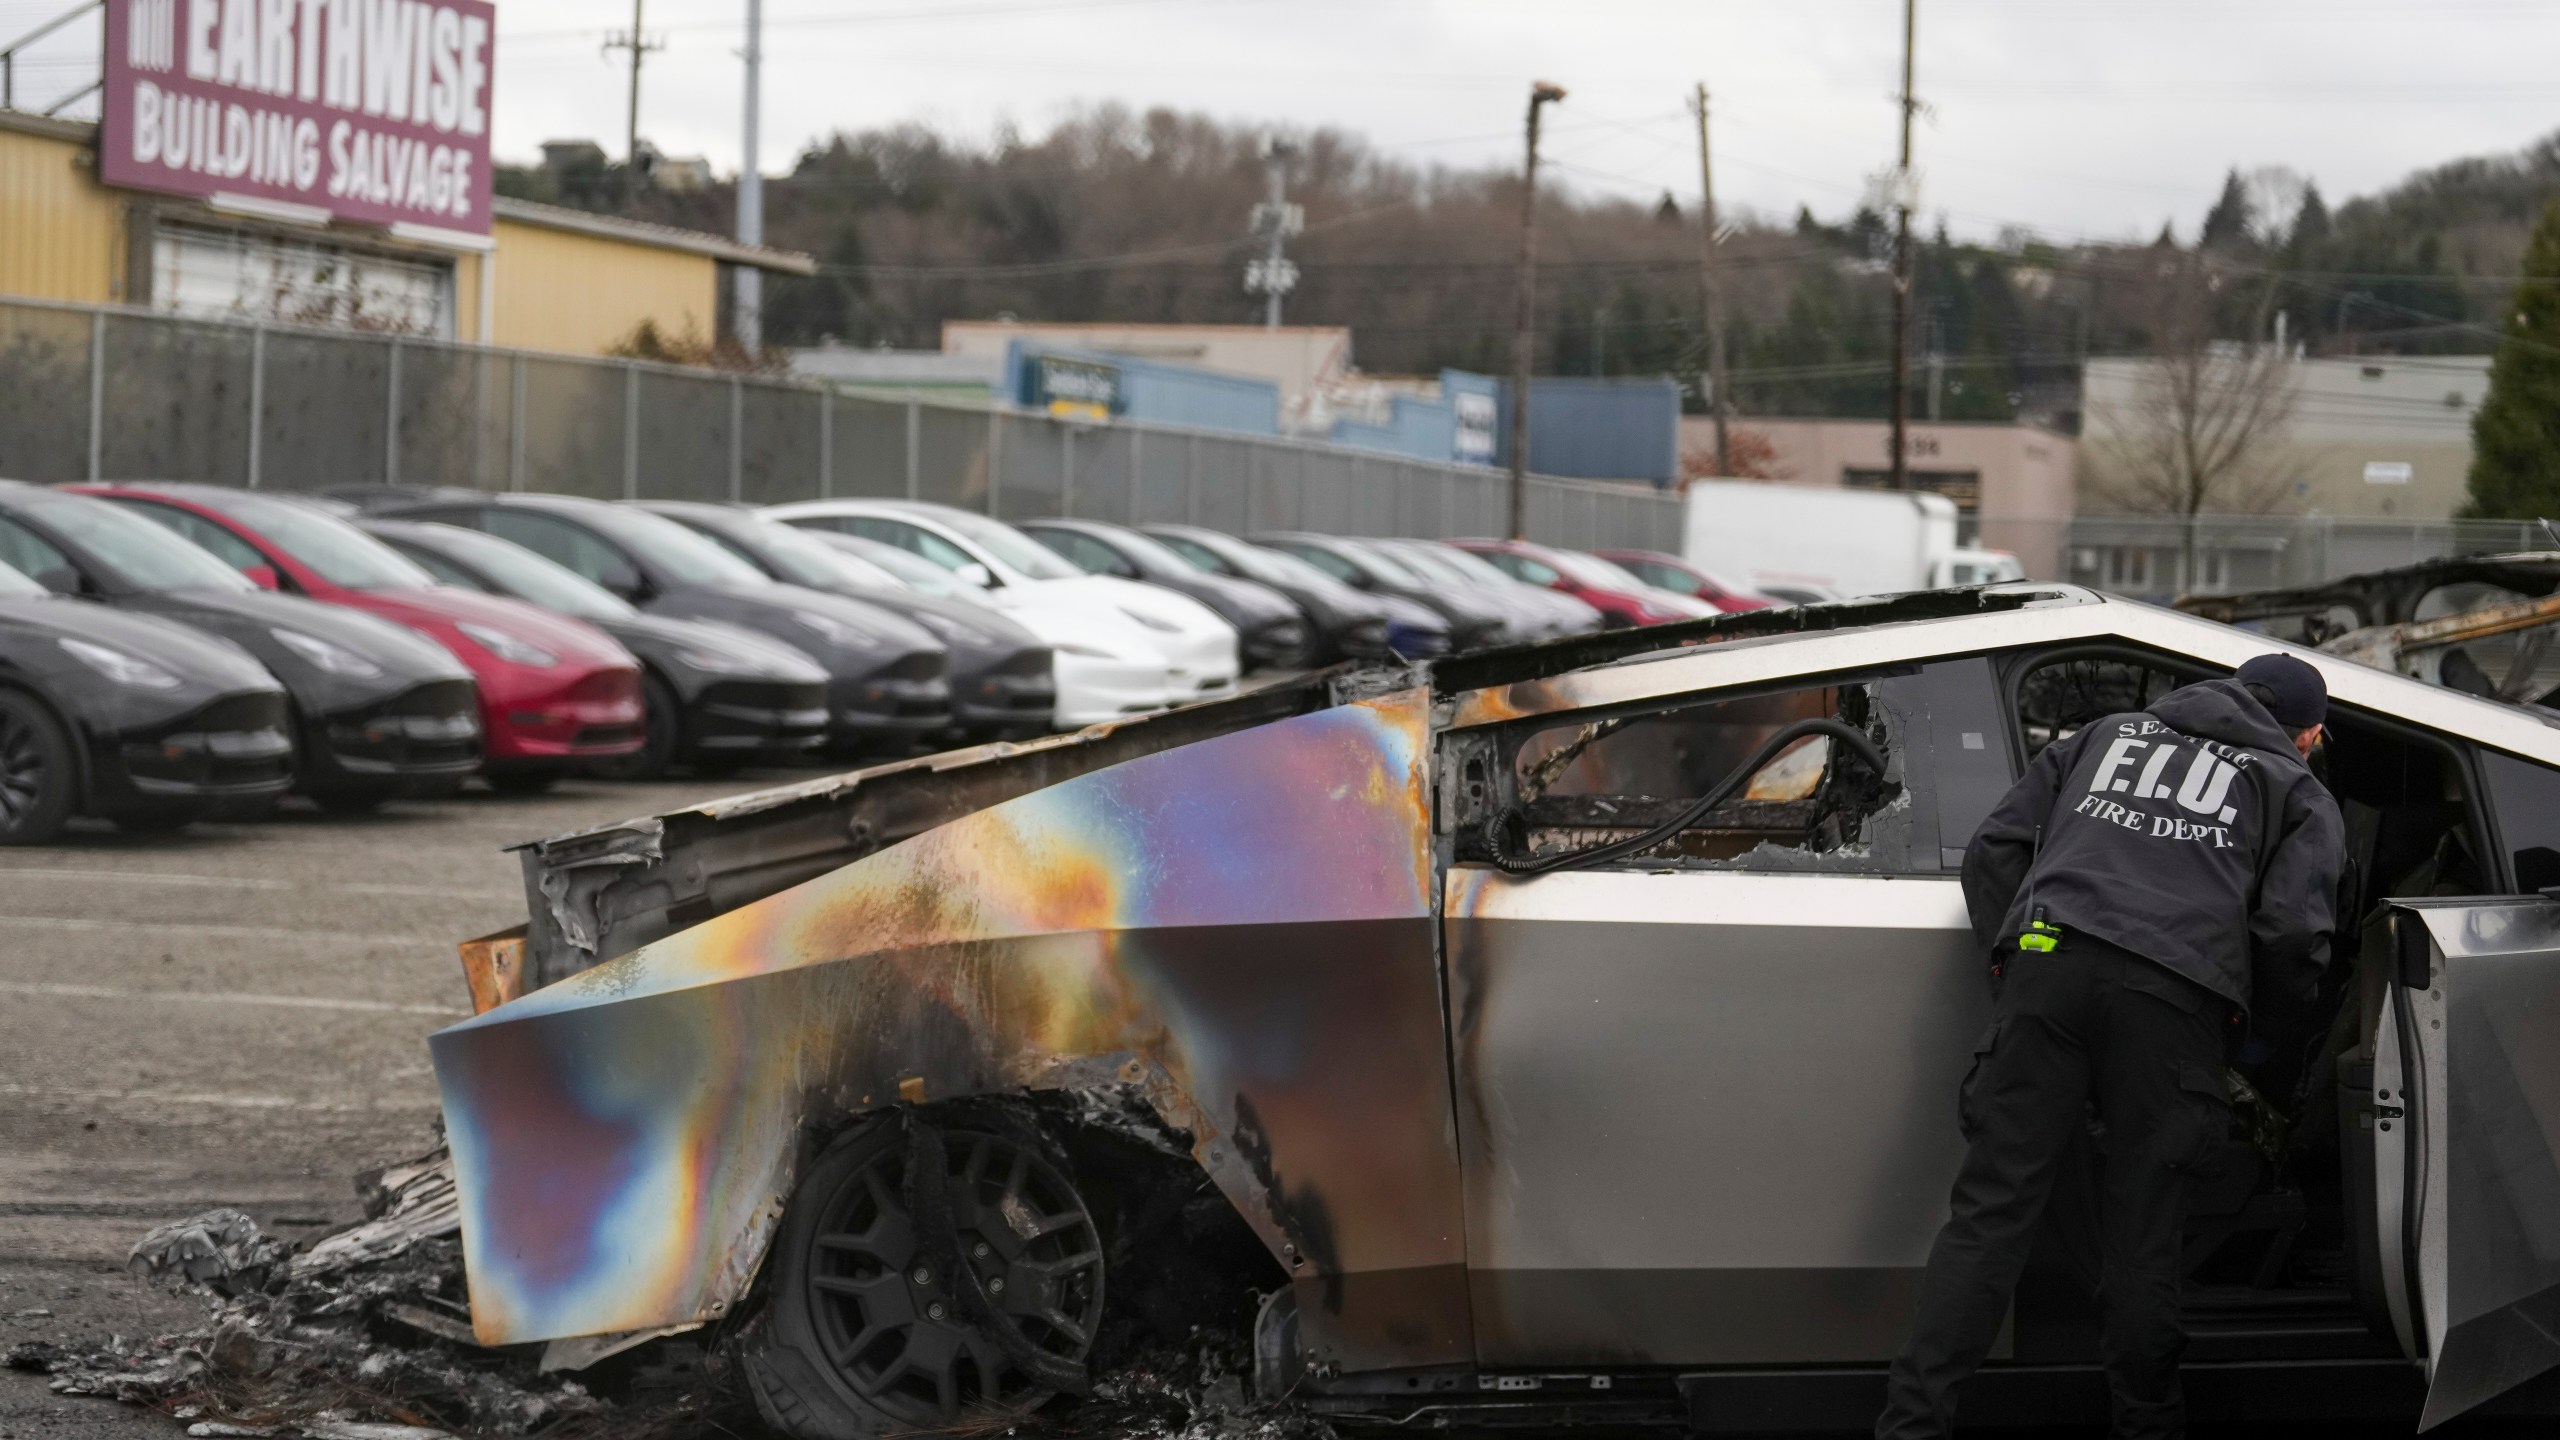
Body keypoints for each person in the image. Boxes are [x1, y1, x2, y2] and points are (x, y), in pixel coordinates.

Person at [1876, 653, 2345, 1440]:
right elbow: (2295, 936)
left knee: (1990, 1216)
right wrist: (2254, 1041)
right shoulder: (2295, 788)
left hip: (2050, 964)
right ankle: (2148, 1427)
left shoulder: (2105, 733)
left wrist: (2018, 965)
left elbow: (1996, 849)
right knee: (2142, 1238)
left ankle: (1911, 1427)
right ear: (2305, 734)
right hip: (2174, 1001)